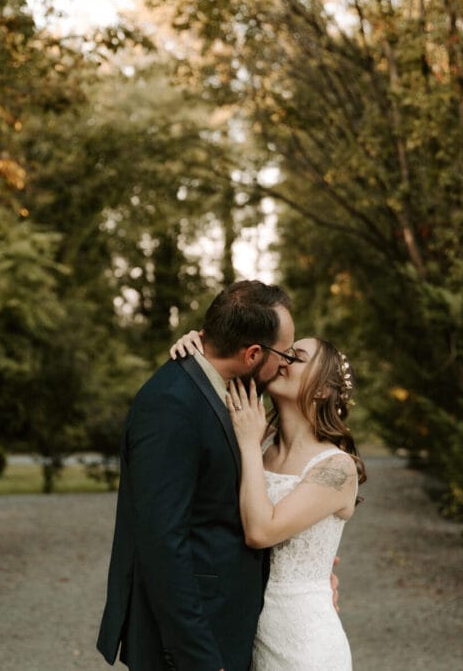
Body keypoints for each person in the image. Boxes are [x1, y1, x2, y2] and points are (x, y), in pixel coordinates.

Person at [96, 280, 297, 671]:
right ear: (253, 353)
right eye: (284, 353)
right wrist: (199, 658)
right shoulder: (171, 404)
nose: (287, 362)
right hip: (192, 643)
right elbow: (162, 543)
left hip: (230, 627)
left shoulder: (230, 387)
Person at [171, 330, 366, 671]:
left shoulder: (337, 468)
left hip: (306, 645)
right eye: (286, 353)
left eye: (299, 358)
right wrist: (197, 346)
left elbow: (261, 532)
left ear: (322, 390)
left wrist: (247, 443)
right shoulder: (262, 444)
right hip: (251, 634)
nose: (284, 360)